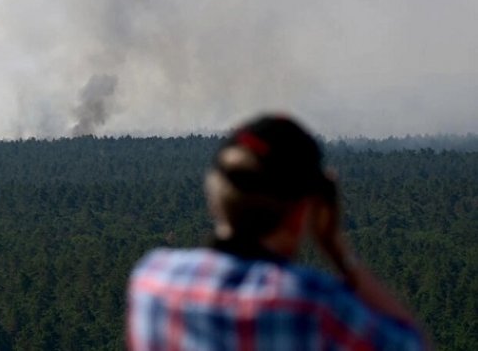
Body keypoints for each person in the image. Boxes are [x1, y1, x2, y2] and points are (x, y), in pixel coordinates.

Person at [127, 114, 427, 350]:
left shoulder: (152, 281)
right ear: (302, 210)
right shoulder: (314, 305)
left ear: (215, 195)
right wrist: (339, 252)